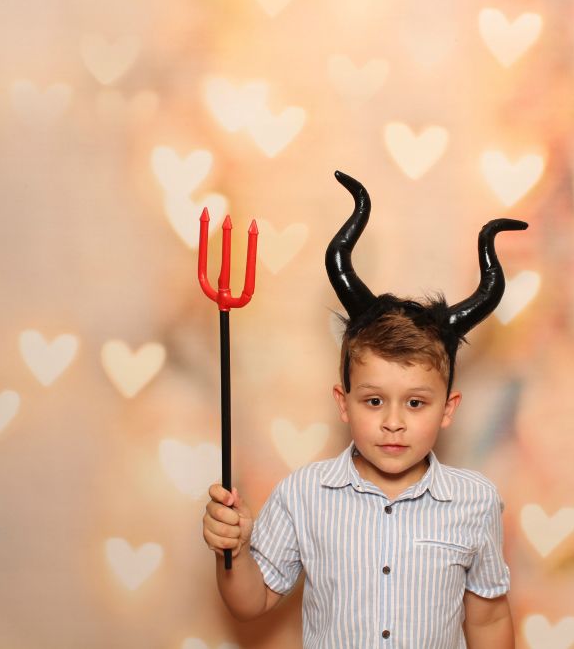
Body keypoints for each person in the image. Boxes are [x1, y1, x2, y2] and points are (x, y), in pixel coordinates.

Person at [204, 171, 526, 648]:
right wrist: (232, 551)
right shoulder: (304, 495)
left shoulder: (475, 502)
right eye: (374, 401)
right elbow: (250, 602)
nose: (393, 422)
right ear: (344, 402)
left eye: (415, 403)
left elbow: (488, 620)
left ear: (447, 409)